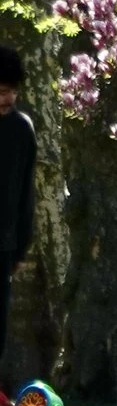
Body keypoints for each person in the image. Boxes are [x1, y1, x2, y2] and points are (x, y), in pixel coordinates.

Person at [0, 48, 34, 381]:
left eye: (10, 90)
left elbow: (26, 192)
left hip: (4, 245)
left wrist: (21, 245)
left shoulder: (23, 129)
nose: (5, 98)